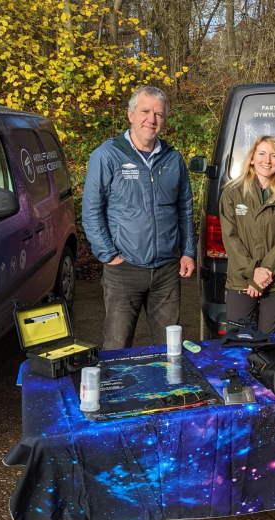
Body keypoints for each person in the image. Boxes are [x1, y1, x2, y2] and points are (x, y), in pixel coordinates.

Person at [82, 86, 196, 349]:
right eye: (145, 111)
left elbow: (184, 208)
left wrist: (188, 251)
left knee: (170, 347)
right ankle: (118, 390)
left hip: (166, 270)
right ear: (130, 114)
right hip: (124, 269)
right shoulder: (108, 155)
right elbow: (91, 210)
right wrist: (108, 254)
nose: (152, 119)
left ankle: (168, 391)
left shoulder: (173, 159)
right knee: (118, 346)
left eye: (159, 114)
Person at [219, 135, 275, 334]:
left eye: (274, 156)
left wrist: (263, 275)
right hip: (241, 278)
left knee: (267, 342)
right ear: (252, 158)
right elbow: (230, 237)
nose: (267, 160)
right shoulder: (232, 192)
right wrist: (253, 272)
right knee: (236, 340)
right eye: (262, 153)